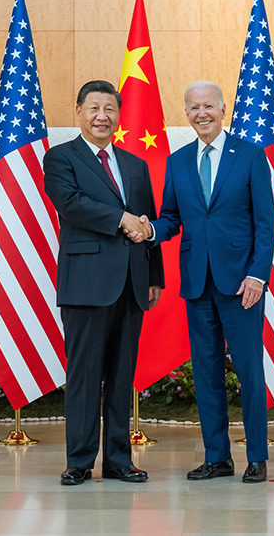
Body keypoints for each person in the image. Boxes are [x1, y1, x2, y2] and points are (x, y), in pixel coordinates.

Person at [133, 80, 274, 483]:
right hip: (197, 284)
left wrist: (257, 275)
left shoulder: (250, 156)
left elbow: (265, 223)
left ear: (223, 109)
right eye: (193, 108)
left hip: (242, 285)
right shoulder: (177, 162)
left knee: (249, 370)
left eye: (208, 106)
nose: (201, 114)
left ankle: (258, 457)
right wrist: (150, 230)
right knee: (206, 372)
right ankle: (218, 457)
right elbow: (172, 218)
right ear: (186, 113)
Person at [43, 80, 164, 486]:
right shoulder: (61, 158)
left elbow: (147, 222)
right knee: (84, 375)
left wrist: (155, 276)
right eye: (93, 108)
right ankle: (79, 461)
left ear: (118, 114)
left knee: (121, 376)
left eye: (109, 109)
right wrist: (120, 219)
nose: (102, 116)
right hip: (86, 284)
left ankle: (118, 460)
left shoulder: (135, 164)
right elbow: (70, 203)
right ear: (78, 111)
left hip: (132, 283)